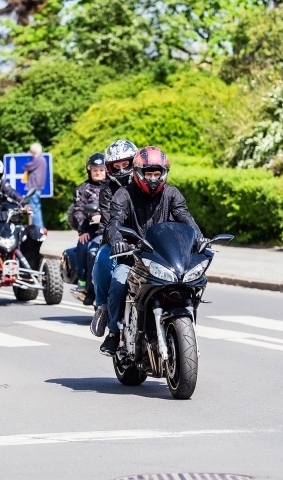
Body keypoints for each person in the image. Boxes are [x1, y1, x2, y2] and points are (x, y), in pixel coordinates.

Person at [100, 146, 206, 356]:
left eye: (157, 173)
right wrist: (118, 241)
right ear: (138, 172)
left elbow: (185, 217)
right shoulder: (124, 194)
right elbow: (113, 223)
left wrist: (199, 238)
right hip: (133, 256)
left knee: (193, 281)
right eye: (148, 173)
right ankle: (113, 333)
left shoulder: (172, 193)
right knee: (119, 281)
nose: (153, 178)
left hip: (164, 256)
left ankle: (184, 324)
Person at [89, 139, 138, 337]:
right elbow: (110, 221)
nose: (121, 169)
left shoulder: (148, 181)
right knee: (101, 259)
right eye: (115, 166)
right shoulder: (108, 188)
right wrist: (118, 240)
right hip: (117, 239)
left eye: (125, 164)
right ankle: (102, 306)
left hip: (148, 240)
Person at [71, 152, 106, 304]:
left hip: (110, 228)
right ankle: (84, 282)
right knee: (84, 245)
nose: (98, 173)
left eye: (101, 170)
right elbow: (78, 209)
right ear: (90, 171)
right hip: (90, 229)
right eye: (95, 170)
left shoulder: (113, 187)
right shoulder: (83, 189)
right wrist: (82, 229)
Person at [23, 143, 46, 228]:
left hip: (34, 186)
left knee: (34, 208)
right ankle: (39, 226)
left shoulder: (38, 159)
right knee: (36, 207)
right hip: (38, 186)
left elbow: (27, 166)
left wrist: (28, 156)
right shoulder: (42, 159)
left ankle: (38, 227)